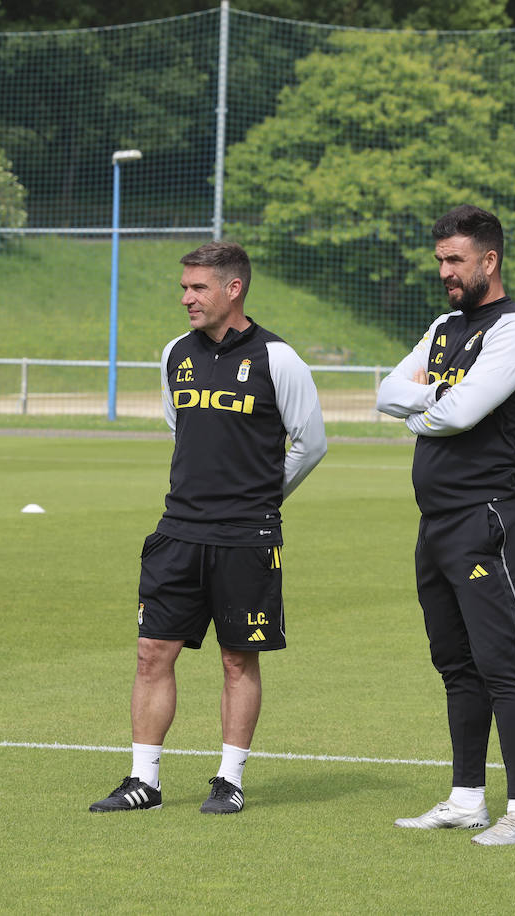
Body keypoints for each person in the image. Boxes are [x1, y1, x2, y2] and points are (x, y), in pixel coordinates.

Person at [90, 240, 327, 815]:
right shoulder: (176, 353)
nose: (187, 299)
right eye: (184, 288)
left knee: (237, 658)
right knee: (152, 652)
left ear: (233, 289)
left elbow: (310, 443)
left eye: (197, 288)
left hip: (246, 536)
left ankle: (229, 779)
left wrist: (261, 497)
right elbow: (181, 430)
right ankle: (144, 780)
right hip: (178, 532)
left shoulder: (279, 359)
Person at [375, 205, 515, 846]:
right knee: (455, 665)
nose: (445, 271)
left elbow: (463, 413)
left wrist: (429, 406)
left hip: (490, 518)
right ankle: (467, 798)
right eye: (441, 260)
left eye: (456, 260)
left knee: (502, 665)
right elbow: (388, 391)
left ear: (489, 260)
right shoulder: (445, 326)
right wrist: (435, 401)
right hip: (437, 523)